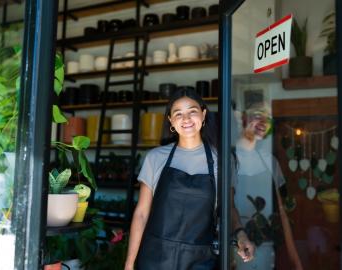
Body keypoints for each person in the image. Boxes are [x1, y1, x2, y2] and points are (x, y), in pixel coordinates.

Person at [124, 89, 255, 270]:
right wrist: (130, 264)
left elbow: (229, 208)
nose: (186, 119)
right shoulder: (155, 157)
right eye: (178, 114)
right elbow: (141, 214)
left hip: (200, 259)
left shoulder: (223, 160)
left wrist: (241, 235)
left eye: (192, 111)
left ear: (203, 114)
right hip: (155, 257)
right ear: (170, 120)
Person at [232, 102, 303, 270]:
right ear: (243, 119)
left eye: (268, 117)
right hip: (235, 247)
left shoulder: (270, 161)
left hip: (267, 248)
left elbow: (283, 210)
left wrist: (295, 257)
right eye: (258, 115)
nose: (264, 121)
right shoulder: (227, 159)